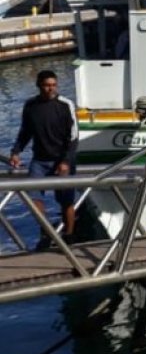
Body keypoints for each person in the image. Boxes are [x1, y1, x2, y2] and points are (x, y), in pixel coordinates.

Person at [8, 69, 79, 247]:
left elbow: (74, 137)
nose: (51, 89)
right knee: (34, 198)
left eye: (54, 85)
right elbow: (25, 132)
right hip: (39, 160)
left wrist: (65, 161)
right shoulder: (30, 106)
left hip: (62, 159)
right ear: (39, 85)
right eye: (47, 85)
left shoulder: (65, 105)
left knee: (66, 201)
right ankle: (46, 232)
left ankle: (69, 236)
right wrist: (16, 151)